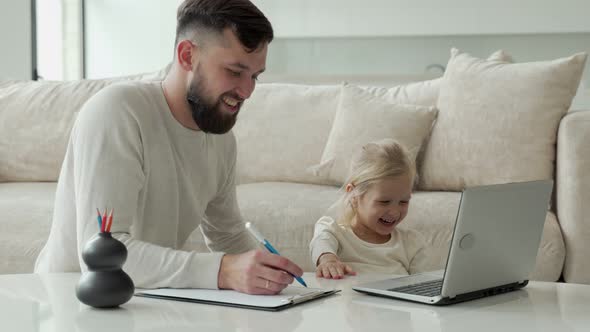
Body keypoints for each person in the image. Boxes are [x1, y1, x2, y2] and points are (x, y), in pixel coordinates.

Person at [35, 0, 304, 295]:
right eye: (234, 71)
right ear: (187, 55)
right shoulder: (118, 111)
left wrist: (274, 274)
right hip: (73, 303)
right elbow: (102, 258)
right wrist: (224, 270)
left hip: (150, 301)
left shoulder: (220, 138)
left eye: (254, 76)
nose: (247, 91)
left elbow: (227, 236)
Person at [309, 139, 430, 279]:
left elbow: (422, 286)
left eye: (403, 201)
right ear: (354, 196)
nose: (395, 212)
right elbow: (321, 242)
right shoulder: (335, 232)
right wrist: (328, 260)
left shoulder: (411, 244)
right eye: (384, 202)